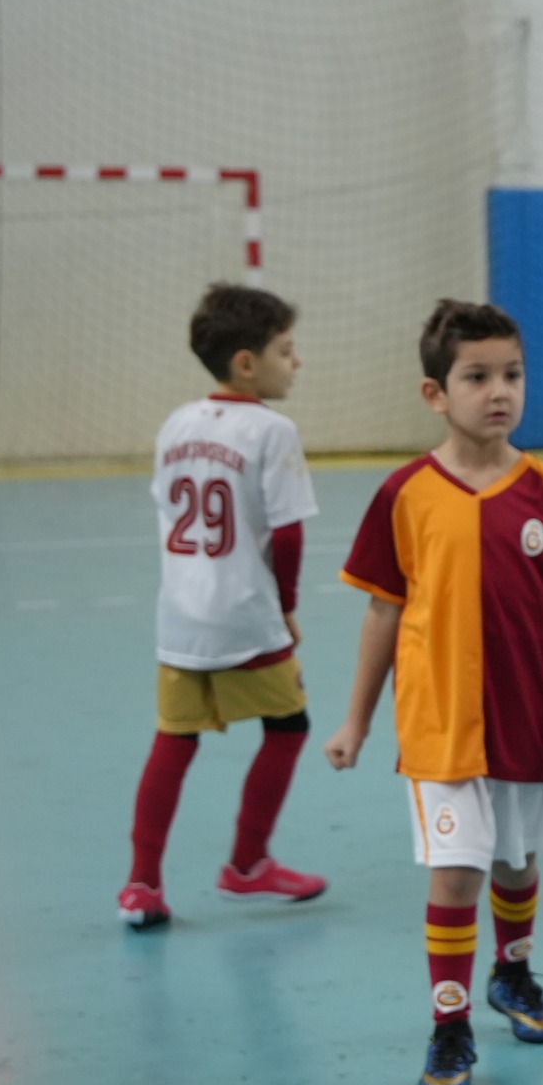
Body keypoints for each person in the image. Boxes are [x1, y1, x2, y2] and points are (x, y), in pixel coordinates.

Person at [323, 300, 543, 1085]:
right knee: (455, 877)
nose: (499, 392)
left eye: (511, 375)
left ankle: (511, 973)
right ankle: (449, 1024)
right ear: (434, 394)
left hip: (523, 723)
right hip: (440, 727)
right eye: (477, 377)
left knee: (516, 864)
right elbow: (383, 610)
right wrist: (356, 720)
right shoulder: (405, 493)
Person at [121, 284, 327, 928]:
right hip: (243, 611)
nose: (295, 363)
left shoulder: (175, 424)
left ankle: (141, 884)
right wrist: (287, 605)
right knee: (288, 726)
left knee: (173, 741)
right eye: (286, 351)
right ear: (246, 362)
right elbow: (287, 533)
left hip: (179, 616)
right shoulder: (273, 429)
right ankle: (246, 865)